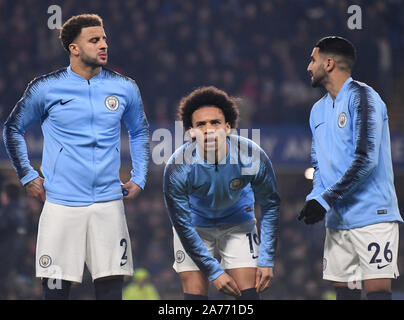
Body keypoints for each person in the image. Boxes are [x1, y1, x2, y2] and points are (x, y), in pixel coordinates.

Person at [2, 14, 149, 300]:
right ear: (74, 48)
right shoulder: (46, 87)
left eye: (104, 38)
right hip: (61, 205)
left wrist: (140, 176)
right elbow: (12, 129)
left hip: (108, 204)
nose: (104, 45)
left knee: (110, 288)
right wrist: (28, 175)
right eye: (94, 40)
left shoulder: (125, 87)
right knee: (56, 289)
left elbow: (140, 132)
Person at [299, 36, 403, 300]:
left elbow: (366, 159)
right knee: (345, 296)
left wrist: (325, 200)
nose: (309, 67)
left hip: (372, 215)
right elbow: (318, 165)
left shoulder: (364, 97)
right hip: (338, 221)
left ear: (329, 63)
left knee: (377, 294)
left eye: (313, 60)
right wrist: (315, 198)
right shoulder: (317, 111)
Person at [163, 86, 280, 300]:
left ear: (227, 127)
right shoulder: (178, 167)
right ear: (191, 132)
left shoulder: (251, 156)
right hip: (194, 228)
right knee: (195, 297)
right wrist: (215, 272)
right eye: (201, 124)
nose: (209, 129)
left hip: (238, 223)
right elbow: (181, 223)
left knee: (248, 297)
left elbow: (270, 206)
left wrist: (266, 259)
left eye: (215, 122)